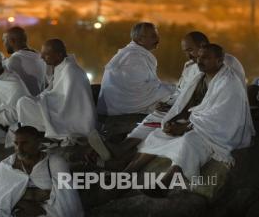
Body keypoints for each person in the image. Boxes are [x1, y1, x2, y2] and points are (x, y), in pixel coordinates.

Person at [90, 31, 249, 166]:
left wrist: (184, 115)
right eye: (186, 51)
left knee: (166, 126)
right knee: (158, 116)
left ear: (203, 47)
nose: (190, 56)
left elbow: (222, 99)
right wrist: (172, 104)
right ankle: (123, 150)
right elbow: (183, 92)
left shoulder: (226, 65)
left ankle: (124, 158)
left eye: (190, 50)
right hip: (193, 109)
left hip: (213, 116)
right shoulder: (193, 66)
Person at [122, 44, 254, 187]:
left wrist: (186, 127)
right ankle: (129, 171)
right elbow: (186, 104)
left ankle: (166, 183)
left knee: (190, 141)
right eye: (199, 57)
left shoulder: (229, 82)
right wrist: (172, 121)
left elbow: (222, 118)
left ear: (219, 60)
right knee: (158, 134)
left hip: (219, 130)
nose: (200, 61)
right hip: (198, 121)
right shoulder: (200, 77)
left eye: (206, 58)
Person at [16, 39, 96, 145]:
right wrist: (42, 99)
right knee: (25, 102)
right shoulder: (61, 67)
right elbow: (53, 92)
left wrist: (44, 101)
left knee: (24, 103)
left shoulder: (71, 71)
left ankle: (39, 134)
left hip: (70, 117)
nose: (41, 57)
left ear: (58, 55)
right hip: (57, 107)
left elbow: (69, 103)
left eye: (46, 55)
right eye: (42, 54)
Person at [96, 22, 174, 117]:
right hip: (120, 106)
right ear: (140, 40)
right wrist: (168, 90)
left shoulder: (134, 53)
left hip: (117, 103)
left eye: (157, 35)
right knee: (174, 94)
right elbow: (138, 90)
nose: (158, 39)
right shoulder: (133, 57)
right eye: (153, 36)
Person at [3, 26, 47, 96]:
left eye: (4, 40)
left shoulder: (14, 60)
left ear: (12, 41)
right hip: (40, 101)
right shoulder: (40, 56)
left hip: (23, 103)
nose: (4, 44)